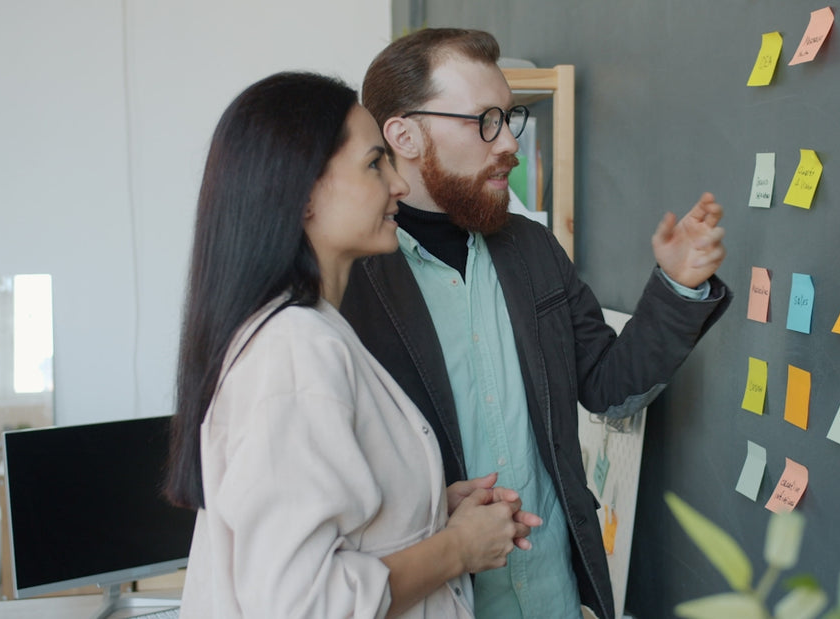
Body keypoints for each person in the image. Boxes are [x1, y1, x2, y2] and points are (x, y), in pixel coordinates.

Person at [341, 28, 732, 619]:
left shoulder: (532, 249)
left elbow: (608, 387)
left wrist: (679, 287)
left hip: (555, 592)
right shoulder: (349, 283)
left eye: (510, 117)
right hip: (438, 602)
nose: (509, 144)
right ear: (404, 134)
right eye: (484, 121)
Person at [164, 71, 541, 618]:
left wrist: (428, 510)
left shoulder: (310, 331)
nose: (399, 185)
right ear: (304, 193)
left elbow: (334, 531)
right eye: (374, 164)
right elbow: (303, 604)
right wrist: (456, 548)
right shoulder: (296, 349)